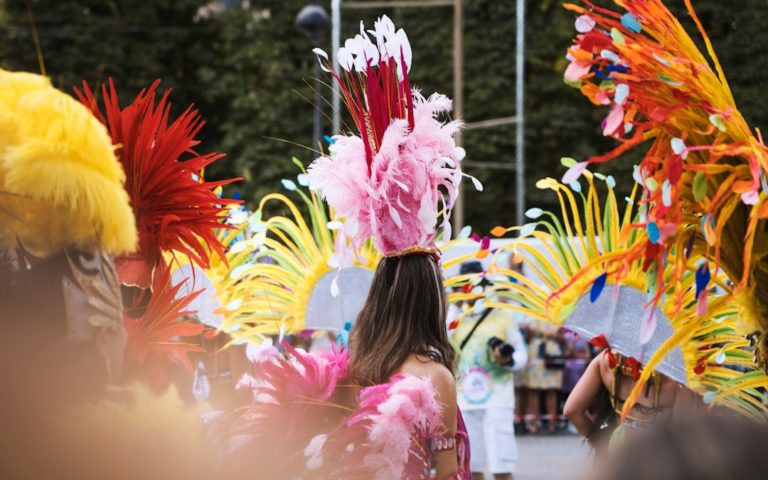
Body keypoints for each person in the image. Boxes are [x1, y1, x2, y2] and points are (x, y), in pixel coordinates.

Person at [452, 261, 527, 480]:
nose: (468, 290)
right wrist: (455, 306)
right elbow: (442, 345)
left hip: (498, 398)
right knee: (471, 466)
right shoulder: (455, 319)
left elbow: (521, 354)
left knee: (501, 464)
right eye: (462, 286)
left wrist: (507, 359)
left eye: (472, 284)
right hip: (465, 400)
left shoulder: (502, 316)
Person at [564, 349, 699, 456]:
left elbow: (572, 410)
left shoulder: (605, 359)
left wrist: (601, 445)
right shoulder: (677, 375)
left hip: (618, 450)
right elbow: (685, 434)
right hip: (659, 459)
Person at [590, 414, 768, 480]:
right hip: (667, 446)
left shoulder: (605, 362)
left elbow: (572, 409)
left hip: (626, 443)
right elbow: (684, 414)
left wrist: (600, 441)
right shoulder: (673, 376)